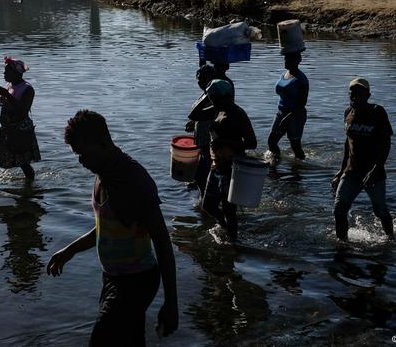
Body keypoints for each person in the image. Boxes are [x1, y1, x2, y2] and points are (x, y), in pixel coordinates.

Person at [47, 110, 178, 346]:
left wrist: (171, 303)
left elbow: (162, 241)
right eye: (77, 155)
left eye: (84, 154)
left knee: (101, 341)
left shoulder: (134, 181)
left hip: (137, 281)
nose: (81, 161)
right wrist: (70, 250)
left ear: (103, 143)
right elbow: (107, 228)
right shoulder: (103, 174)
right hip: (113, 277)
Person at [192, 79, 257, 241]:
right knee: (207, 205)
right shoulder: (217, 109)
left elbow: (251, 143)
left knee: (229, 209)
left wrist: (224, 142)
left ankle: (233, 242)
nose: (212, 101)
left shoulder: (238, 114)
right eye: (211, 99)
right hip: (217, 166)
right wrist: (206, 96)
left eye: (214, 98)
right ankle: (224, 226)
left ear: (225, 97)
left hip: (232, 168)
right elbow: (193, 114)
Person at [331, 78, 394, 241]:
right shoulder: (348, 113)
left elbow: (386, 143)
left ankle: (391, 239)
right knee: (339, 210)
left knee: (381, 211)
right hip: (351, 172)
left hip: (374, 174)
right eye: (351, 93)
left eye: (358, 93)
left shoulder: (377, 112)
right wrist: (340, 171)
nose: (354, 96)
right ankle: (342, 244)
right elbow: (348, 144)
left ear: (368, 95)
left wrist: (376, 169)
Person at [0, 56, 41, 183]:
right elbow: (5, 104)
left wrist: (7, 95)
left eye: (6, 71)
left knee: (23, 162)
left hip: (20, 129)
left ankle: (31, 185)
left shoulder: (28, 89)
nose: (4, 74)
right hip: (6, 129)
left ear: (16, 73)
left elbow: (22, 110)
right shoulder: (9, 85)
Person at [267, 51, 309, 160]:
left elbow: (302, 104)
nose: (286, 61)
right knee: (272, 141)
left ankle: (299, 169)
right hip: (281, 112)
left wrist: (288, 117)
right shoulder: (285, 73)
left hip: (295, 115)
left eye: (289, 59)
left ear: (298, 61)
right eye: (285, 59)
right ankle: (276, 163)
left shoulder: (301, 80)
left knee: (295, 146)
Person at [185, 64, 217, 196]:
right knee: (201, 173)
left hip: (209, 142)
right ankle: (203, 198)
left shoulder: (214, 96)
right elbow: (199, 114)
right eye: (199, 80)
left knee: (203, 175)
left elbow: (211, 114)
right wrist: (194, 122)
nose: (201, 83)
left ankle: (205, 202)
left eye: (204, 80)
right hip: (201, 141)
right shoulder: (205, 95)